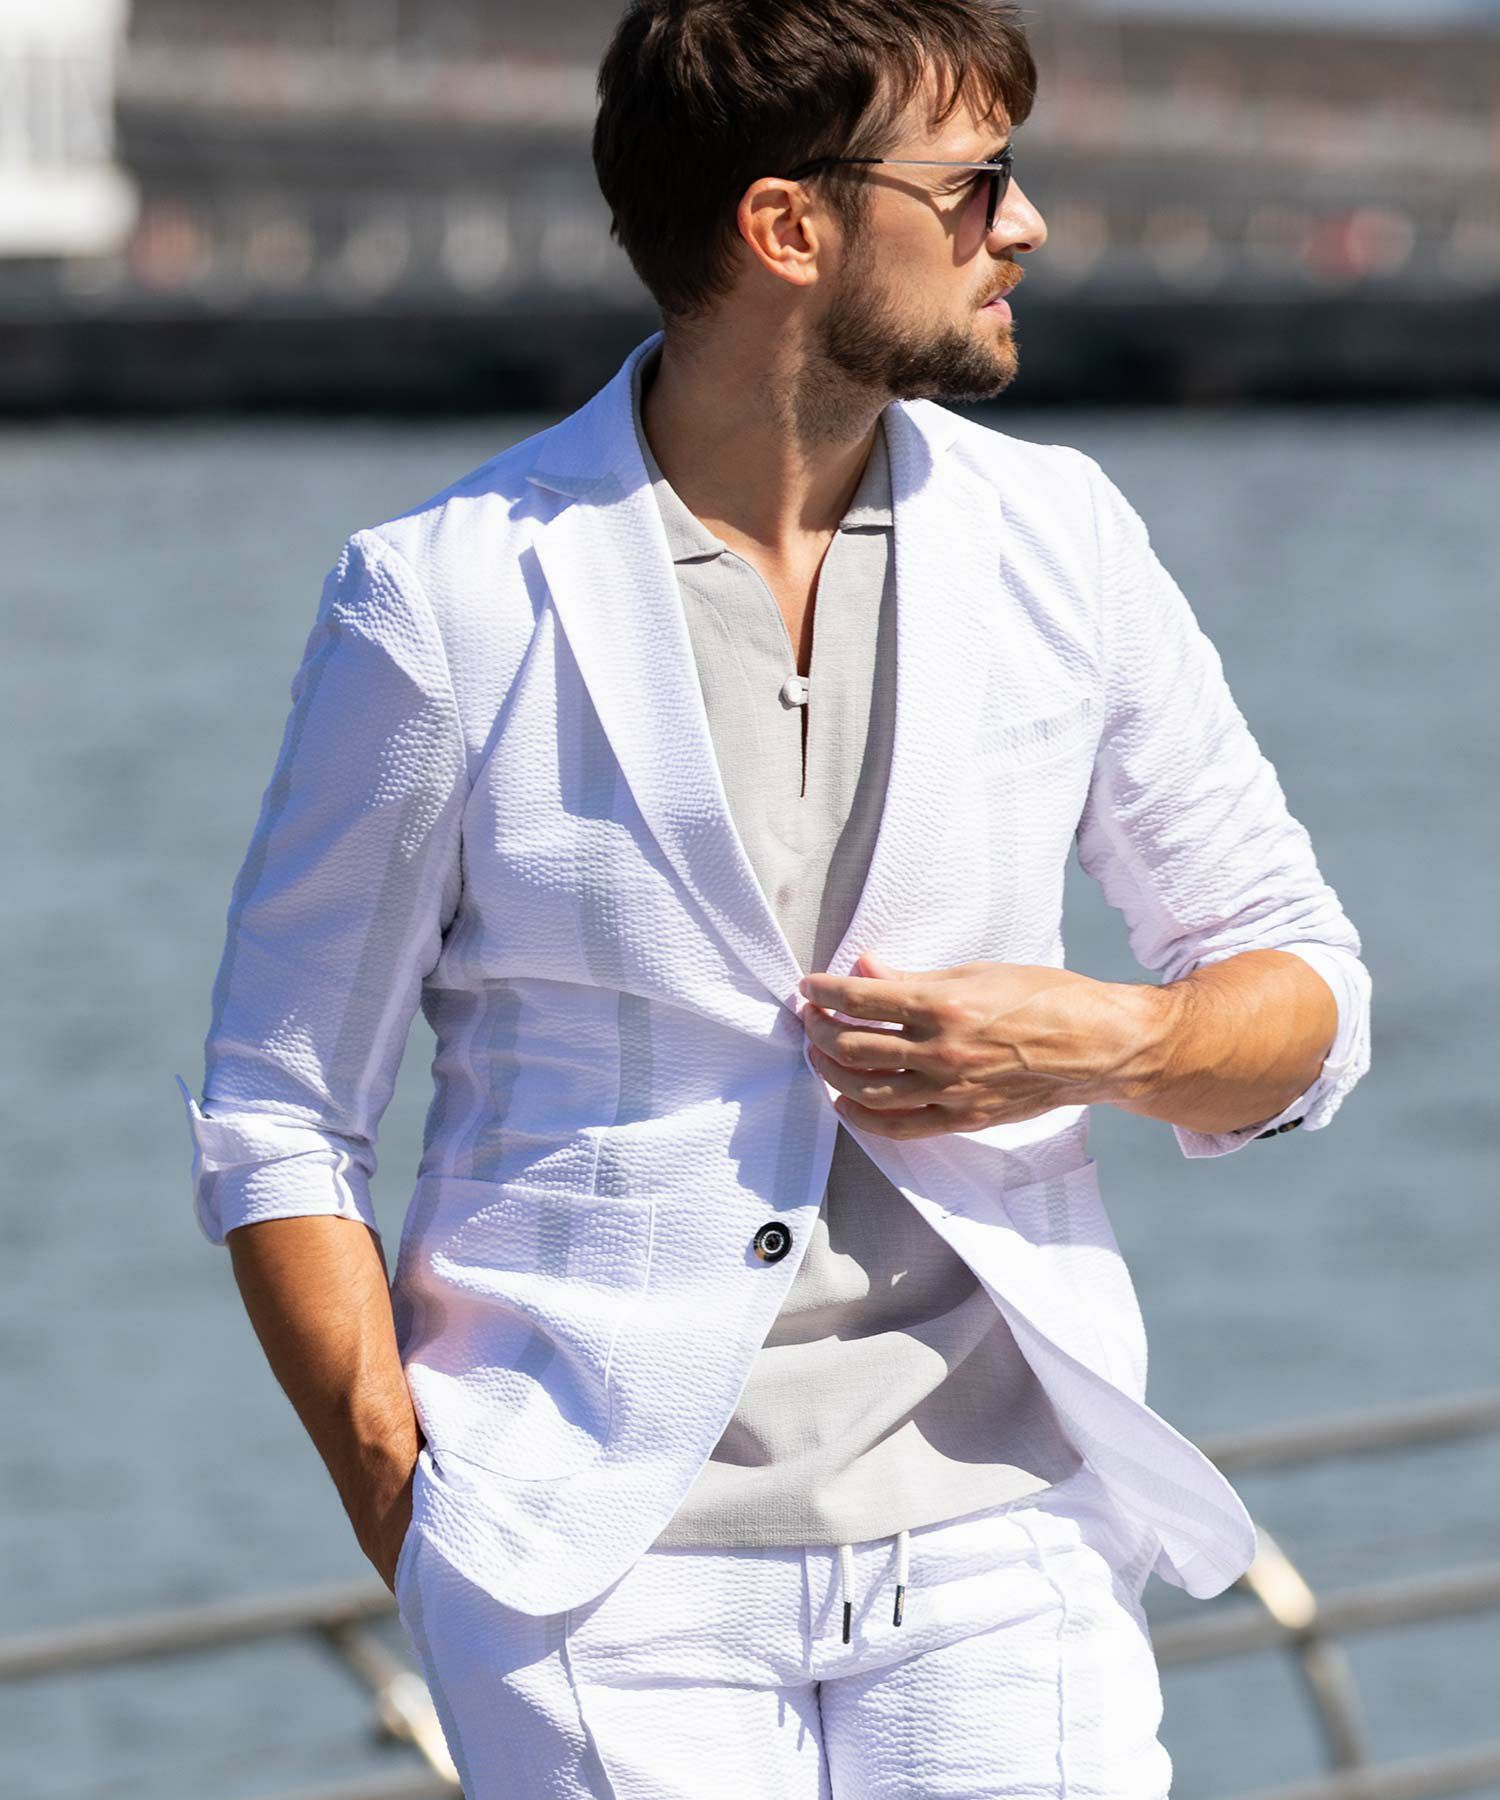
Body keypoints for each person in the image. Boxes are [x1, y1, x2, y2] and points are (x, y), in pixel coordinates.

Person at [174, 2, 1372, 1794]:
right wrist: (408, 1502)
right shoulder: (447, 600)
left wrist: (1108, 1040)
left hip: (1009, 1537)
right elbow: (277, 1108)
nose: (1027, 226)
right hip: (595, 1571)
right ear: (787, 226)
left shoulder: (1062, 541)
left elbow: (1308, 998)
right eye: (975, 184)